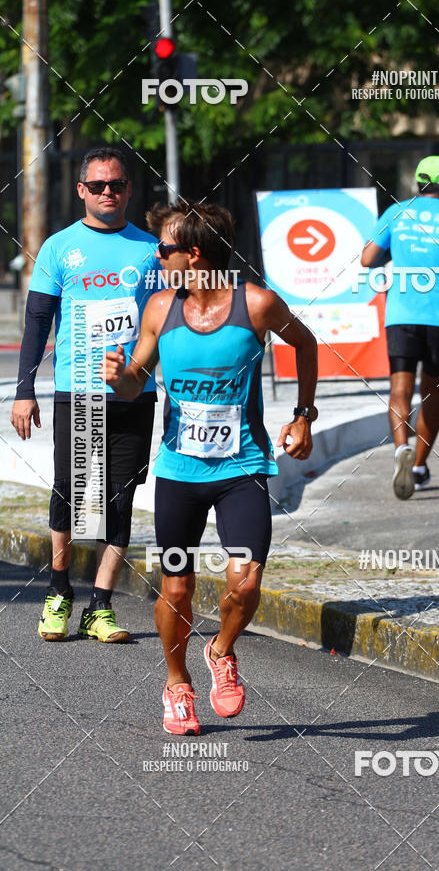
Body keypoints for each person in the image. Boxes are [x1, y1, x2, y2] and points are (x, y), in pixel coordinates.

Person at [101, 198, 318, 735]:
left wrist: (303, 416)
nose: (158, 256)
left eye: (165, 248)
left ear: (194, 254)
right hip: (180, 474)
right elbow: (133, 381)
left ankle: (220, 650)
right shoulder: (160, 308)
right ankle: (177, 683)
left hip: (242, 469)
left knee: (245, 583)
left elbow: (306, 343)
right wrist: (119, 377)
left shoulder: (258, 304)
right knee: (176, 590)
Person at [11, 147, 161, 643]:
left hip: (135, 392)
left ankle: (101, 605)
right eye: (97, 185)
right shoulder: (59, 248)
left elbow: (170, 320)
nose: (107, 192)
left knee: (119, 499)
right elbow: (37, 323)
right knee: (72, 495)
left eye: (115, 184)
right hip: (79, 391)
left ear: (128, 190)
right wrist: (25, 390)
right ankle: (59, 592)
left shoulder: (152, 249)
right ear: (81, 190)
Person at [361, 155, 439, 500]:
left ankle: (401, 446)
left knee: (399, 390)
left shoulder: (397, 212)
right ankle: (418, 466)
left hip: (402, 313)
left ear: (418, 183)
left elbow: (367, 258)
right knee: (433, 393)